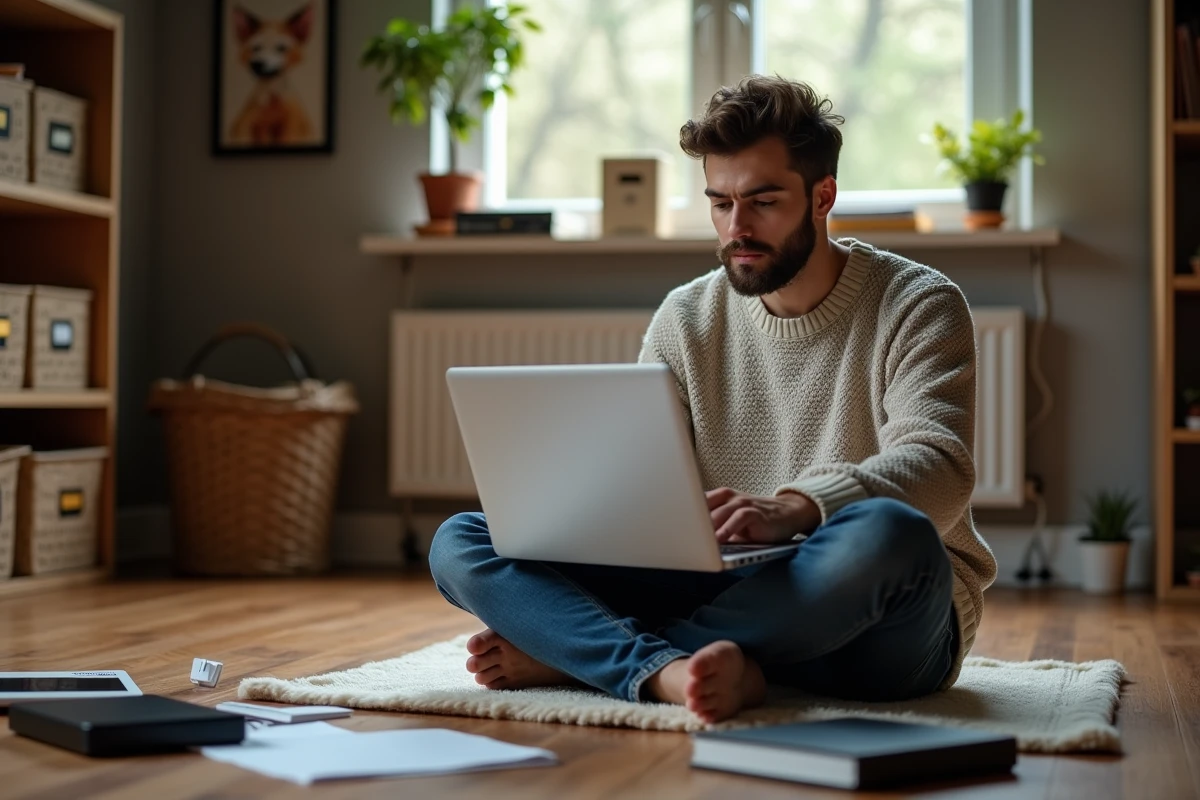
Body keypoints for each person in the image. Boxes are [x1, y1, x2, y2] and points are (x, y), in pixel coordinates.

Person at [428, 75, 998, 724]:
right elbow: (640, 488)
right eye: (720, 204)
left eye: (762, 202)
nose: (737, 227)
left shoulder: (919, 303)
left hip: (873, 625)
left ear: (823, 196)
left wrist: (798, 507)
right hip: (725, 587)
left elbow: (942, 465)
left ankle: (598, 660)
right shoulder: (686, 316)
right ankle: (683, 668)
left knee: (891, 535)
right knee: (463, 539)